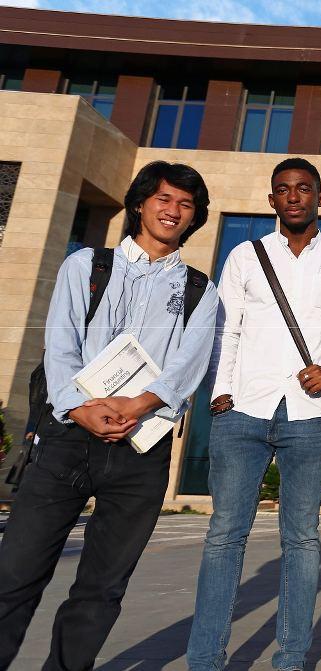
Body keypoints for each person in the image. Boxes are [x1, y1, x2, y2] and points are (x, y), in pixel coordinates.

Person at [0, 161, 218, 670]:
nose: (173, 210)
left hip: (142, 449)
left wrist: (137, 405)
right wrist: (80, 408)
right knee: (15, 574)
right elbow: (60, 344)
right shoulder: (86, 266)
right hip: (66, 439)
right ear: (140, 204)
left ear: (195, 217)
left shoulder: (199, 290)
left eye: (185, 204)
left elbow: (188, 367)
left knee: (101, 589)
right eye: (164, 198)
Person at [187, 158, 321, 671]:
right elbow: (226, 328)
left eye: (303, 188)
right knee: (225, 535)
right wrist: (220, 390)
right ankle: (205, 660)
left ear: (320, 199)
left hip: (309, 416)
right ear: (271, 201)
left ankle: (290, 659)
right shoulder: (245, 256)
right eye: (283, 190)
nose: (293, 197)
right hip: (243, 410)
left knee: (302, 539)